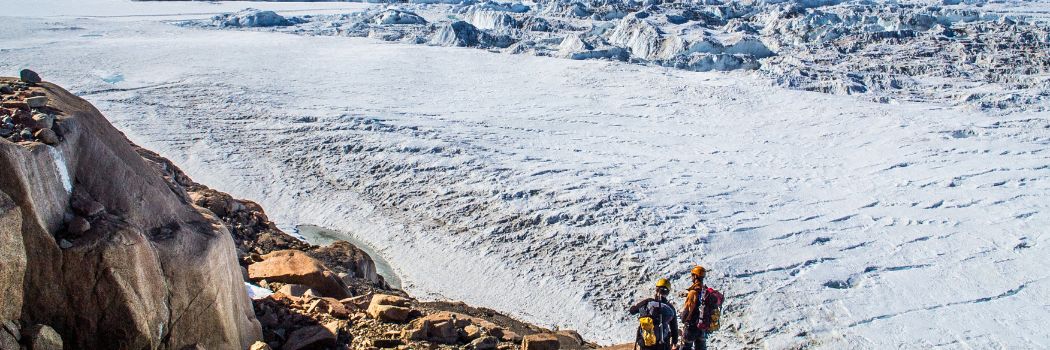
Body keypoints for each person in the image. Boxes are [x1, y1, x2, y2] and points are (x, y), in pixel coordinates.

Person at [629, 278, 679, 350]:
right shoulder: (670, 308)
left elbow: (632, 311)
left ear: (656, 289)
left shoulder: (647, 302)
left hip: (646, 343)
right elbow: (674, 328)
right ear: (667, 292)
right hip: (662, 344)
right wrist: (674, 342)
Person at [680, 265, 722, 350]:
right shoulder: (705, 292)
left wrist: (683, 319)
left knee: (685, 347)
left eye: (692, 275)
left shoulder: (693, 293)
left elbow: (687, 311)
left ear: (695, 276)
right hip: (703, 327)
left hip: (691, 327)